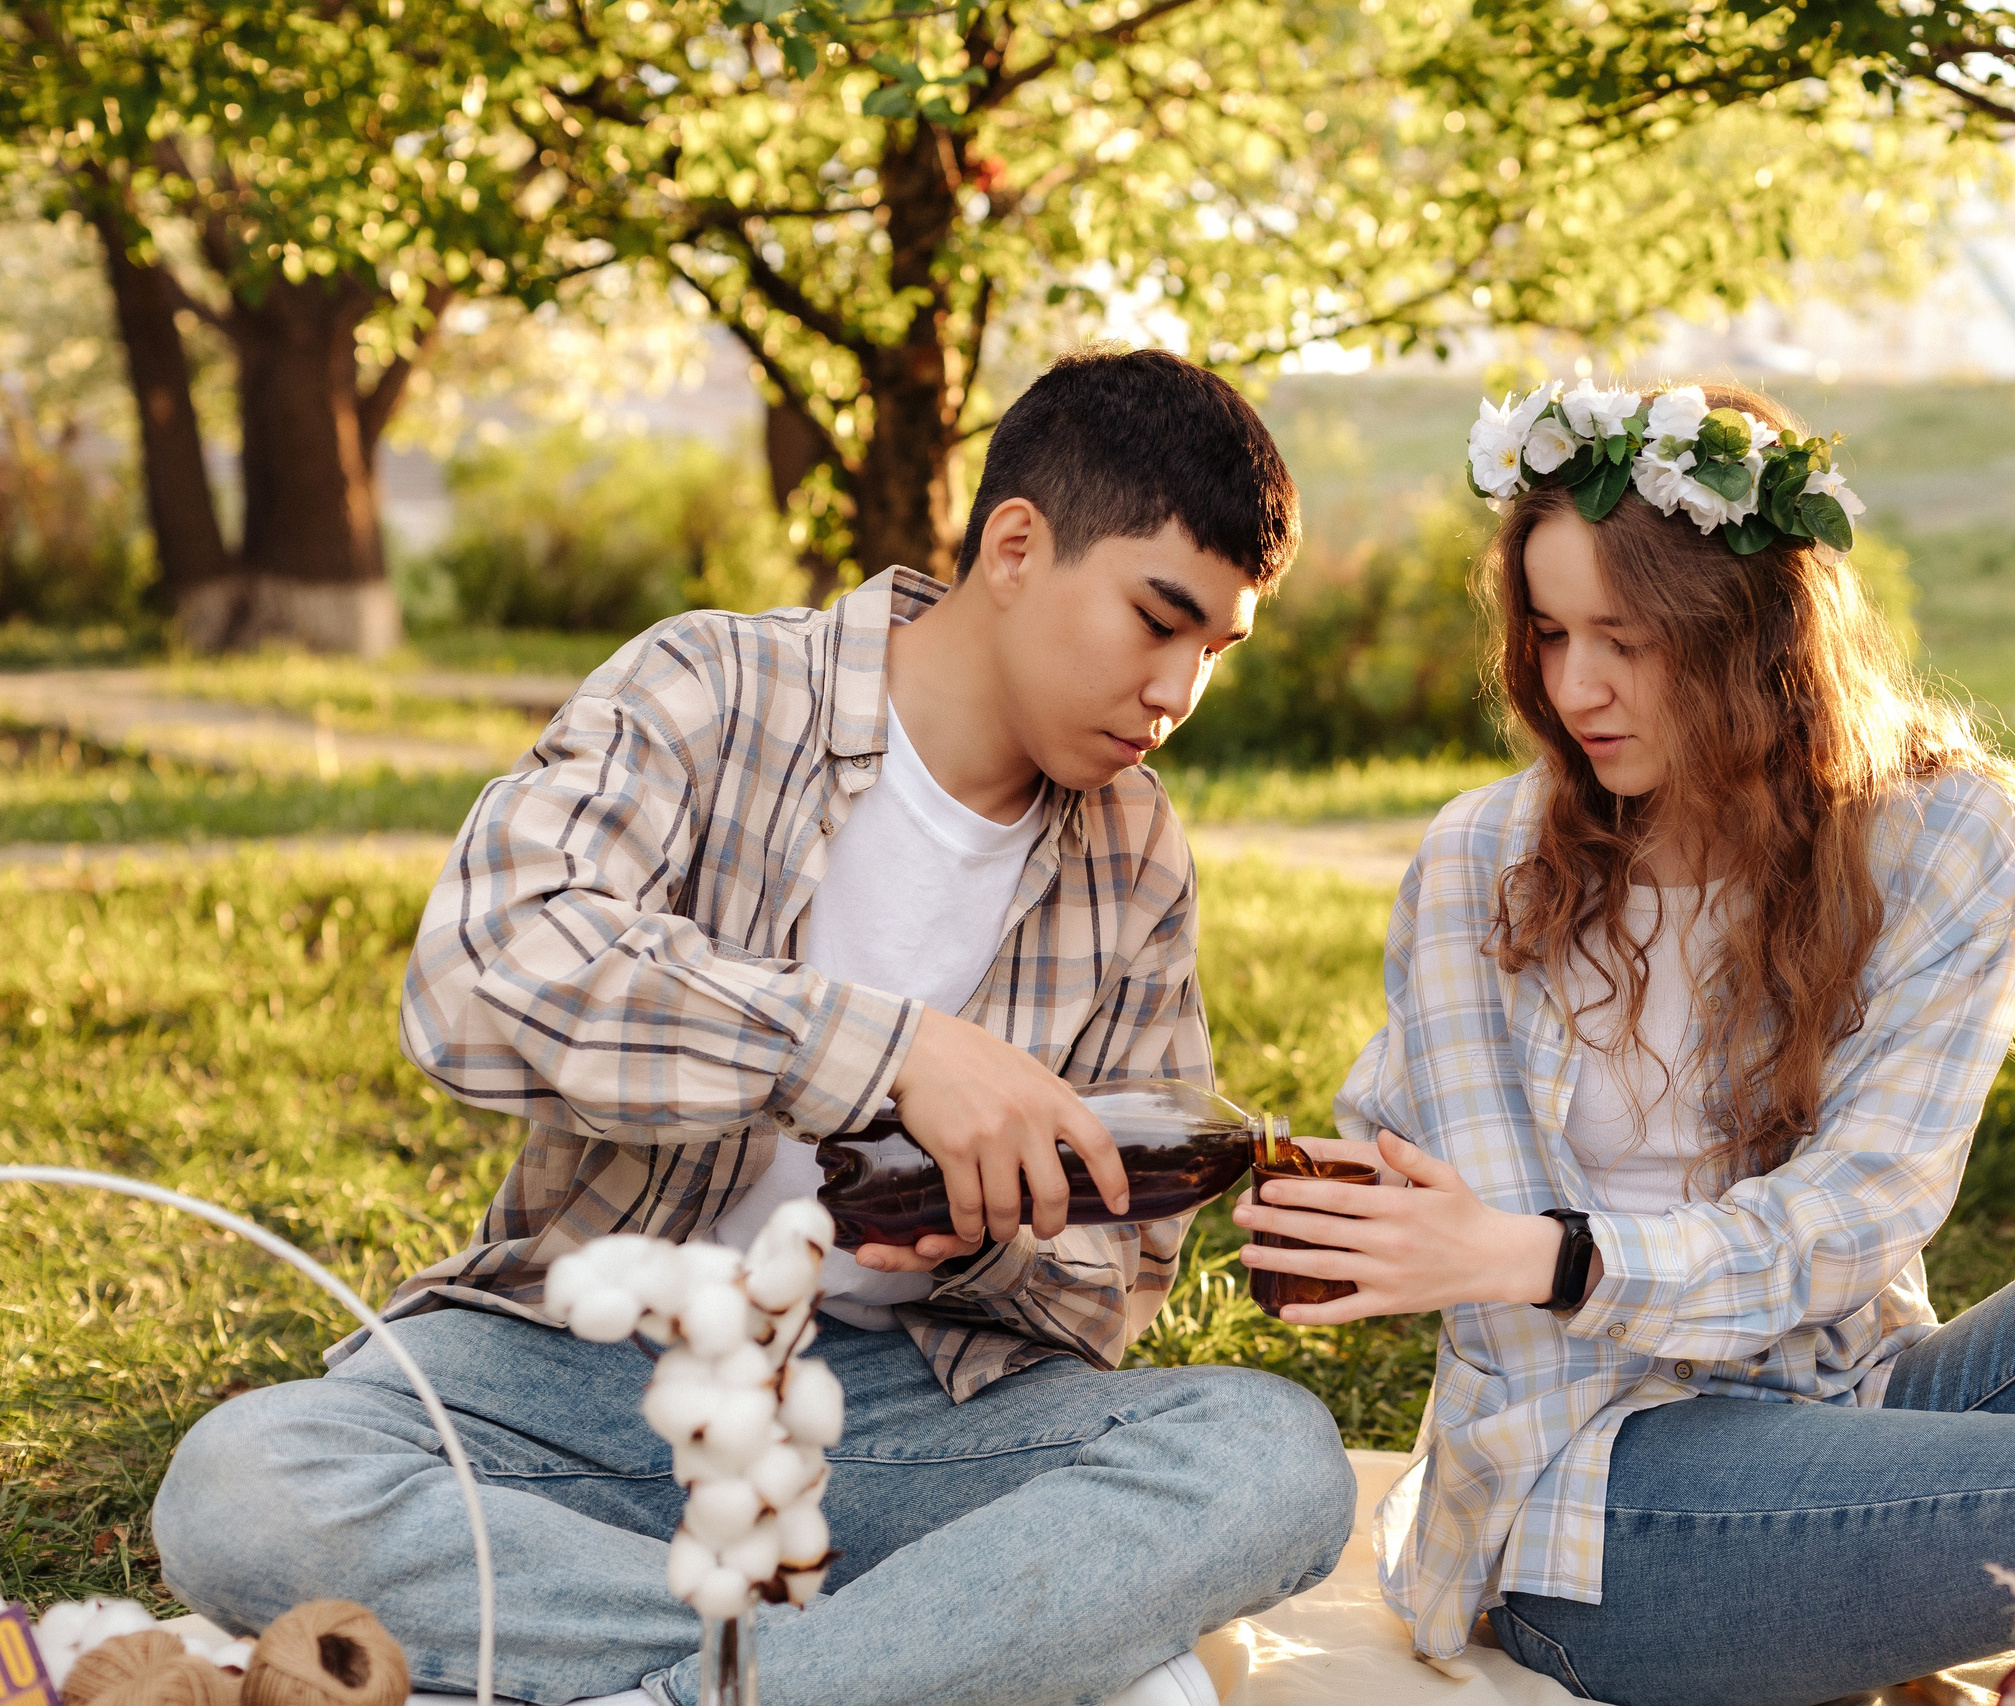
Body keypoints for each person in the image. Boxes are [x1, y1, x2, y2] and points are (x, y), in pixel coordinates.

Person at [1232, 379, 2015, 1705]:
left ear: (1754, 636)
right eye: (1548, 633)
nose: (1576, 683)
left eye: (1627, 636)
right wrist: (1378, 1209)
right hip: (1592, 1498)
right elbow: (1454, 1213)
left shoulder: (1945, 836)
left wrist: (1552, 1252)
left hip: (1853, 1392)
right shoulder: (1480, 857)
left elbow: (1858, 1211)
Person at [153, 349, 1357, 1706]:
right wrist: (884, 1051)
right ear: (1016, 546)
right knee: (245, 1482)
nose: (1180, 691)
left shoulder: (1134, 856)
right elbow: (481, 972)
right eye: (1159, 619)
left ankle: (725, 1682)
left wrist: (986, 1236)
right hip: (583, 1369)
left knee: (1272, 1456)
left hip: (898, 1416)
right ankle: (931, 1647)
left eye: (1218, 651)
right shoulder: (715, 687)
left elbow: (1107, 1285)